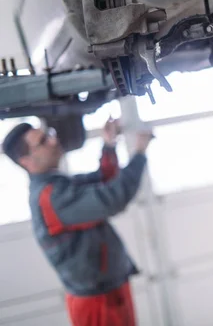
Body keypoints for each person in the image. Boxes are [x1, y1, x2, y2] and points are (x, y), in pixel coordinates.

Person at [1, 118, 153, 326]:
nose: (53, 141)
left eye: (49, 135)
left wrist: (109, 144)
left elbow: (104, 180)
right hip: (97, 304)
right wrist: (139, 154)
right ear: (26, 161)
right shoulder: (50, 197)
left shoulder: (57, 184)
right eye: (43, 141)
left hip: (109, 290)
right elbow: (113, 198)